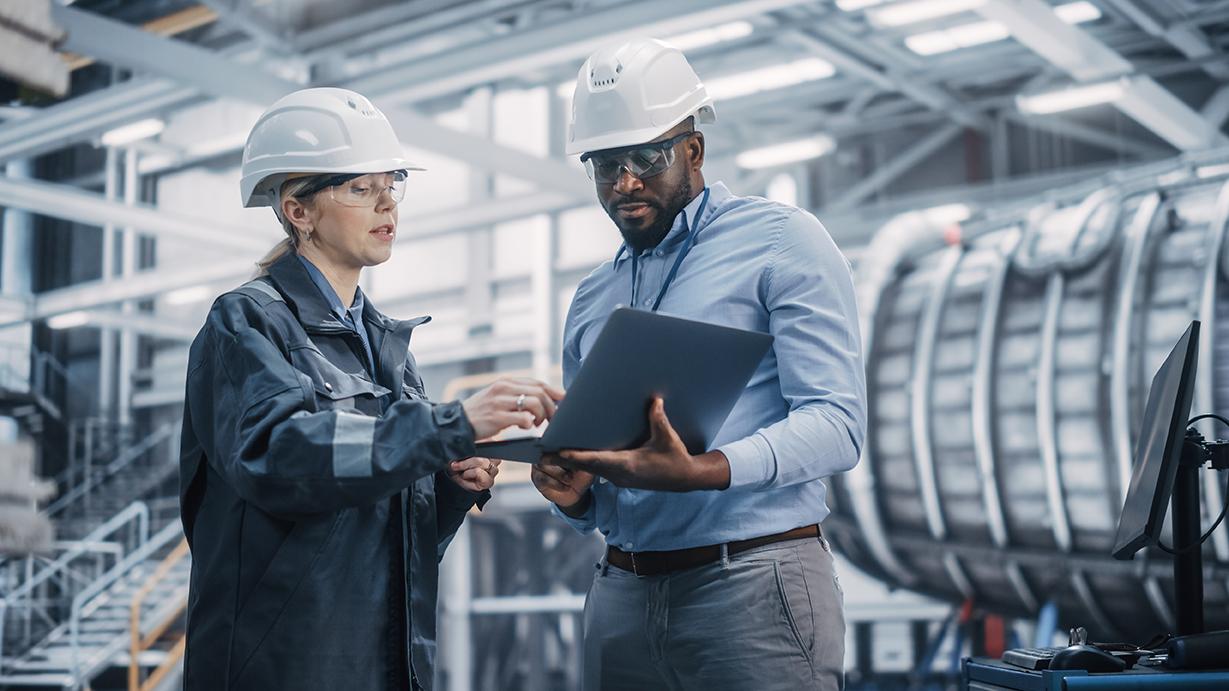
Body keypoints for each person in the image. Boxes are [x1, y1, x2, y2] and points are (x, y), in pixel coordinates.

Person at [179, 87, 563, 691]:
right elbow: (281, 456)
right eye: (360, 188)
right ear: (298, 210)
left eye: (393, 183)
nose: (388, 203)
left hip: (386, 663)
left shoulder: (387, 349)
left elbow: (397, 536)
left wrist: (450, 484)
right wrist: (447, 427)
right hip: (286, 663)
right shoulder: (247, 324)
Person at [530, 39, 867, 691]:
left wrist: (705, 471)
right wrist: (574, 497)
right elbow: (603, 469)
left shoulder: (780, 242)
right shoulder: (592, 298)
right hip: (619, 592)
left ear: (693, 149)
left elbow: (836, 424)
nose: (624, 182)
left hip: (751, 587)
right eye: (604, 164)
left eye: (645, 158)